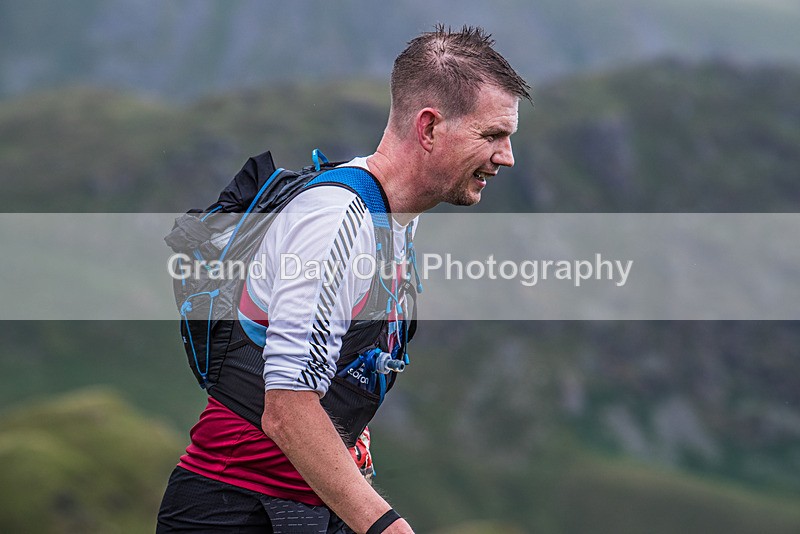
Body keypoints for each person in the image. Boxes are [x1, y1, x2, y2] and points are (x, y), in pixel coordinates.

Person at [157, 24, 531, 534]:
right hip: (236, 512)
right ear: (429, 128)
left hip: (301, 507)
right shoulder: (338, 221)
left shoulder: (394, 217)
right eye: (492, 135)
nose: (507, 156)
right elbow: (287, 408)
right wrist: (385, 526)